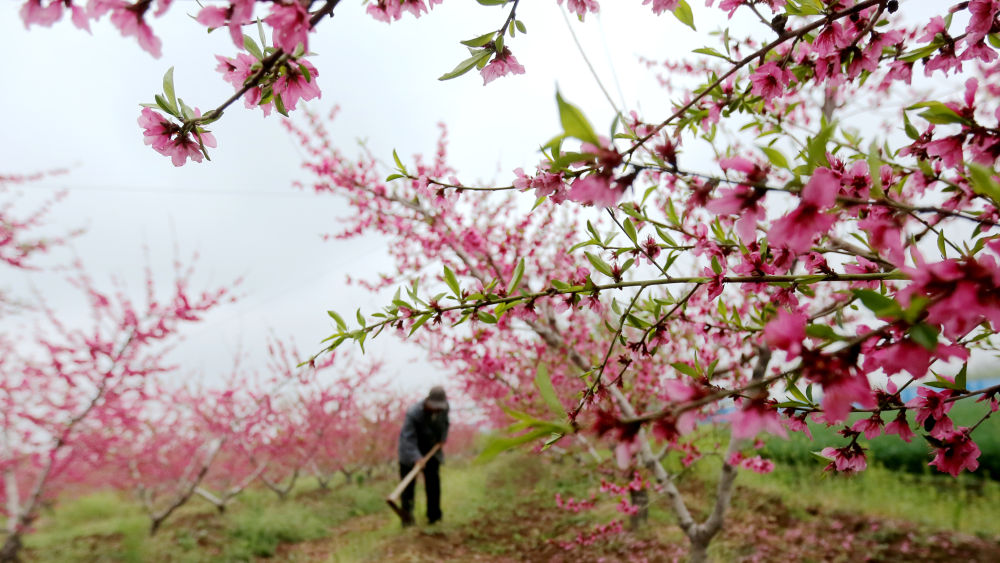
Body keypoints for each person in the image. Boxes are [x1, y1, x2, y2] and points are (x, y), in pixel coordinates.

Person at [397, 385, 449, 526]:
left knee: (433, 483)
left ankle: (434, 516)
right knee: (408, 488)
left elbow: (445, 423)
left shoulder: (444, 408)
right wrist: (416, 457)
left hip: (431, 450)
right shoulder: (413, 413)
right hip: (409, 452)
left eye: (440, 407)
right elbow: (408, 439)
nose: (437, 409)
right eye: (435, 406)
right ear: (427, 401)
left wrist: (442, 438)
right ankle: (407, 519)